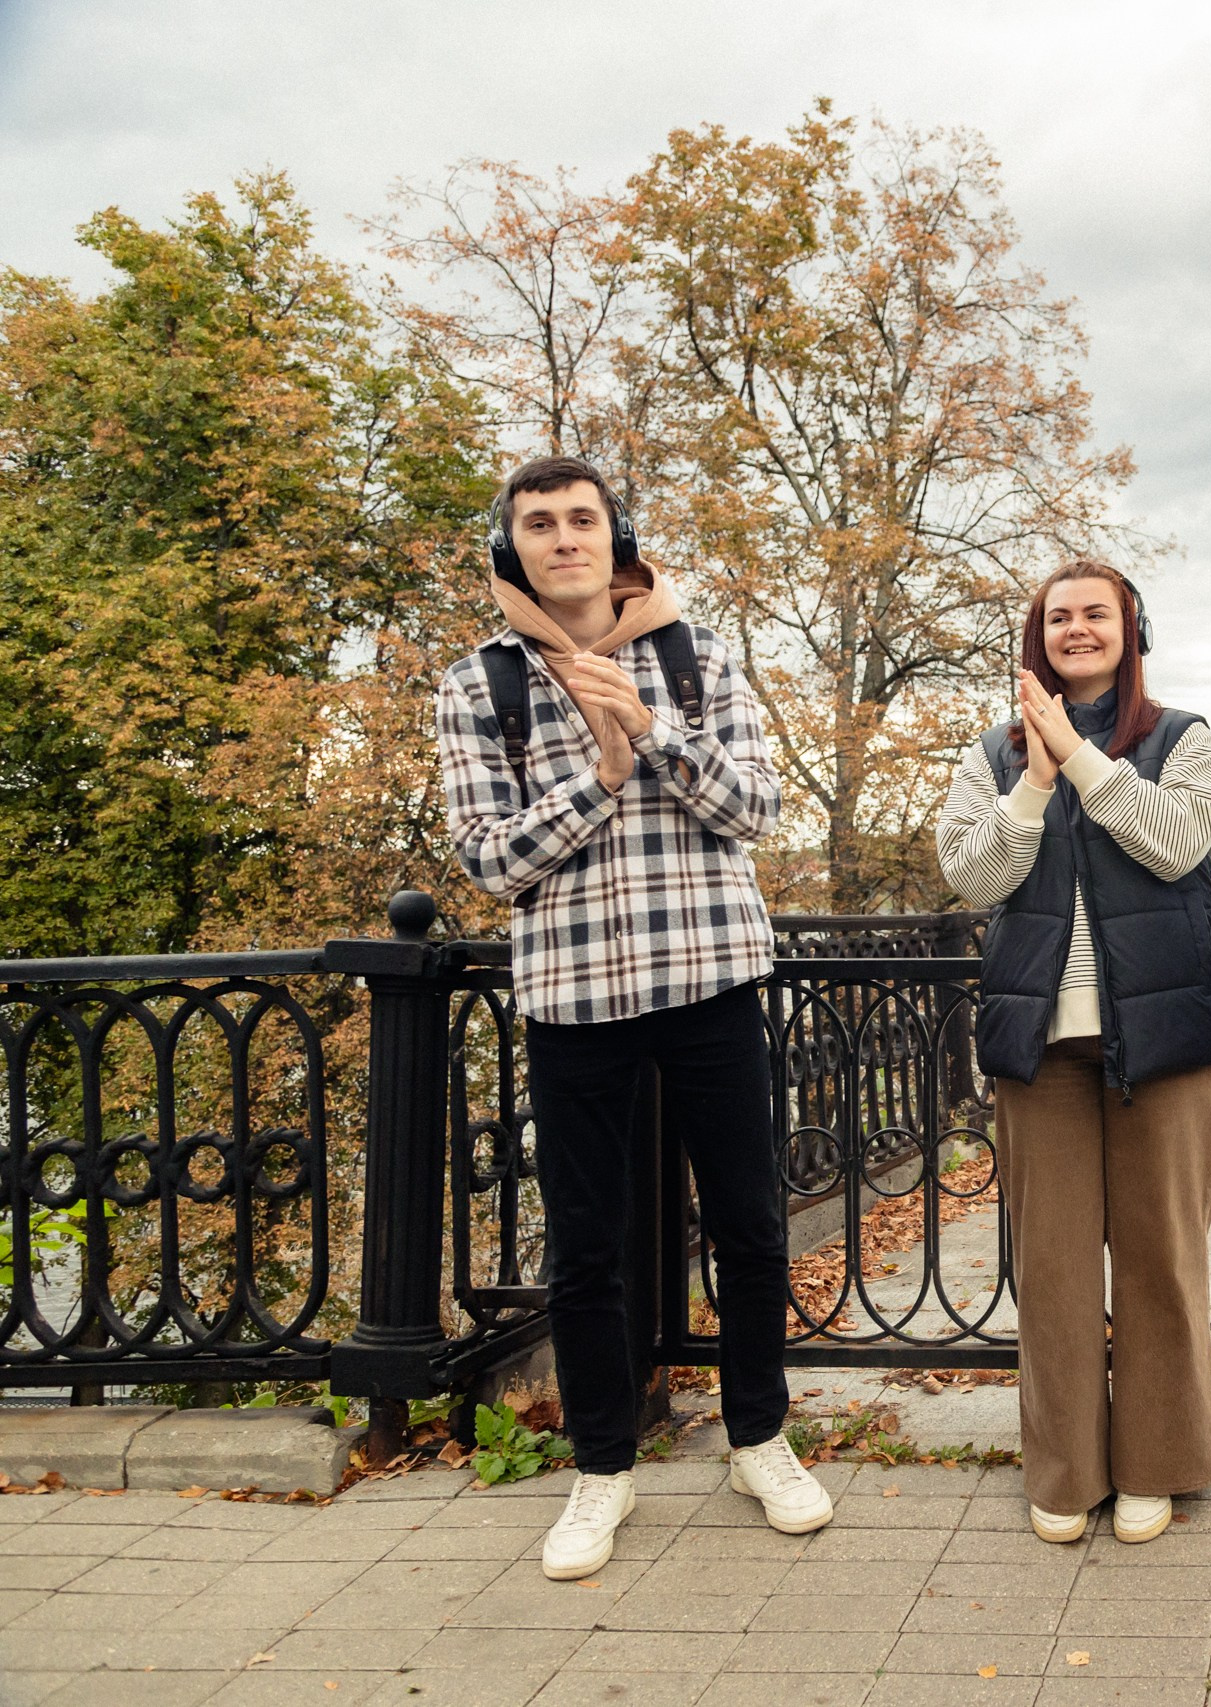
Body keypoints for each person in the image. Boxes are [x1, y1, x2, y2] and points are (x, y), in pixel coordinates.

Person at [436, 455, 831, 1580]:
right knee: (587, 1250)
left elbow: (756, 808)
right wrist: (599, 778)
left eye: (584, 520)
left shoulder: (695, 657)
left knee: (752, 1229)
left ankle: (761, 1436)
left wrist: (652, 733)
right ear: (512, 546)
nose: (565, 538)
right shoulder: (482, 685)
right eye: (540, 523)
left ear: (618, 538)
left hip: (711, 976)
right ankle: (601, 1469)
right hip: (575, 996)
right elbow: (490, 866)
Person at [934, 559, 1211, 1544]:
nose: (1076, 629)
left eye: (1094, 614)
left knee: (1160, 1262)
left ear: (1129, 628)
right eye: (1057, 617)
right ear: (1037, 637)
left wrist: (1086, 760)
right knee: (1056, 1273)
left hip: (1162, 1044)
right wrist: (1032, 777)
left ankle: (1157, 1463)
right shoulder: (991, 753)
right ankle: (1066, 1472)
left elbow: (1173, 844)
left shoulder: (1183, 740)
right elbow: (972, 874)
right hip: (1041, 1049)